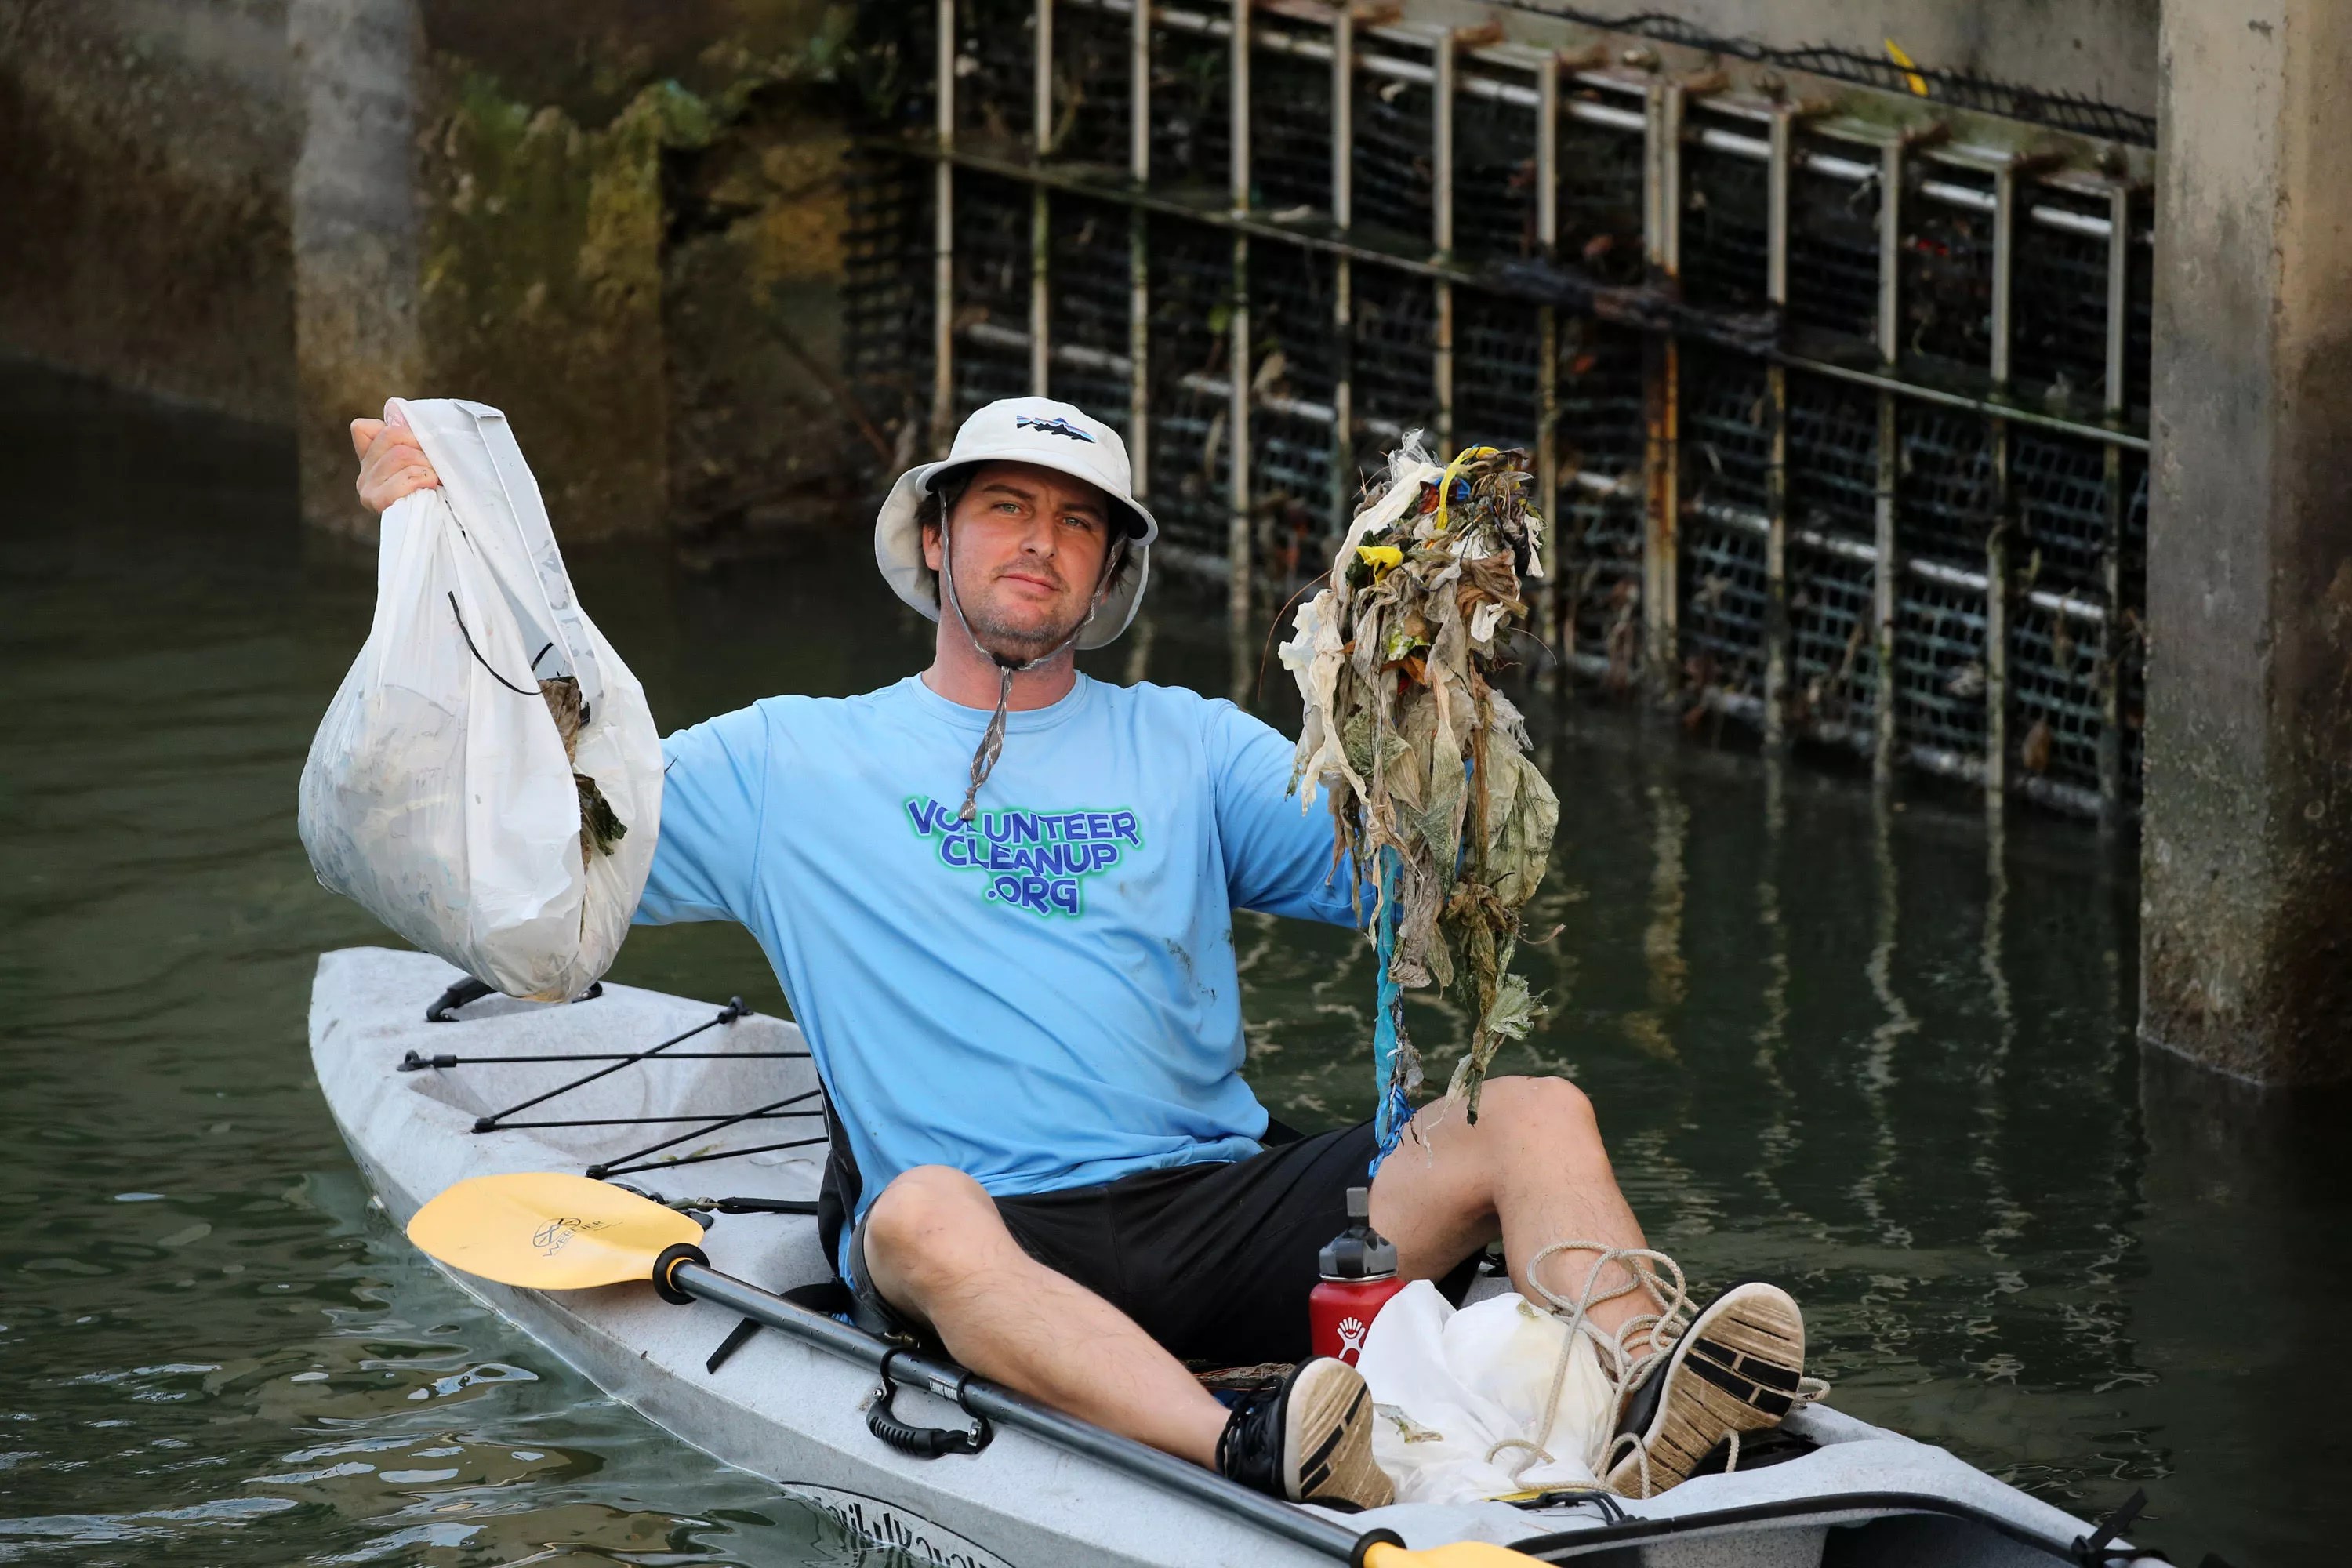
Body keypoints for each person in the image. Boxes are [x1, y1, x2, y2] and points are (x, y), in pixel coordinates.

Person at [349, 396, 1813, 1509]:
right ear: (937, 542)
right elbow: (534, 852)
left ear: (1108, 573)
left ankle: (1655, 1397)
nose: (1037, 541)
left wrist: (1422, 691)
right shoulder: (788, 759)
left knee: (1531, 1111)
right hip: (988, 1241)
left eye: (1074, 521)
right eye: (1004, 507)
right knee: (918, 1212)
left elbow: (1423, 882)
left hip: (1221, 1209)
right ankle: (1250, 1450)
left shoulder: (1188, 742)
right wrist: (439, 559)